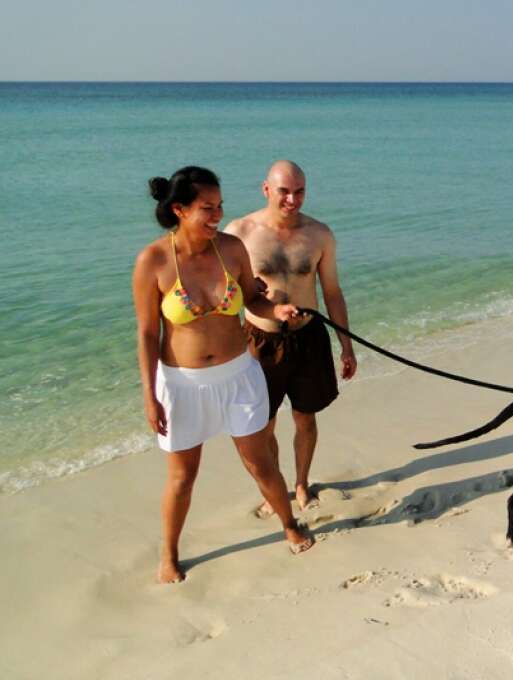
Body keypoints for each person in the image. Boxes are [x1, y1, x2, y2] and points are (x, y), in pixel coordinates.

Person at [132, 166, 315, 584]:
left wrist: (278, 310)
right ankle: (170, 554)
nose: (217, 215)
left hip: (238, 376)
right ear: (179, 209)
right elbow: (146, 333)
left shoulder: (231, 249)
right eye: (206, 209)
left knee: (261, 464)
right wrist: (149, 394)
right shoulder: (153, 261)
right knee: (183, 477)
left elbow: (253, 298)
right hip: (181, 386)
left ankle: (289, 524)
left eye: (219, 206)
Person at [225, 160, 357, 515]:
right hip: (260, 340)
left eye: (299, 191)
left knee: (306, 417)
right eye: (284, 191)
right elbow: (223, 296)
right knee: (263, 425)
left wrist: (347, 345)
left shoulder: (319, 234)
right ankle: (277, 487)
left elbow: (332, 292)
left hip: (308, 337)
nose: (292, 199)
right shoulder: (239, 232)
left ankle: (301, 483)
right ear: (266, 189)